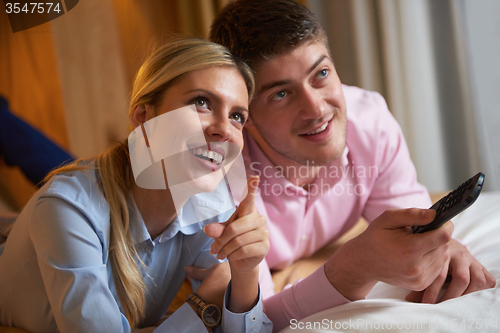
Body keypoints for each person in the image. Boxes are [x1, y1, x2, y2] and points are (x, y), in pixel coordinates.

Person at [208, 0, 496, 331]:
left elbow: (408, 224)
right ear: (245, 116)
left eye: (321, 74)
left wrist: (437, 248)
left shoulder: (369, 121)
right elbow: (250, 322)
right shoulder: (217, 176)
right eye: (281, 95)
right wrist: (353, 268)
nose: (316, 109)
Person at [0, 38, 273, 333]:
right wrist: (202, 305)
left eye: (237, 117)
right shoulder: (67, 209)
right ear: (144, 118)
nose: (224, 129)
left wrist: (245, 274)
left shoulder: (211, 207)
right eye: (201, 102)